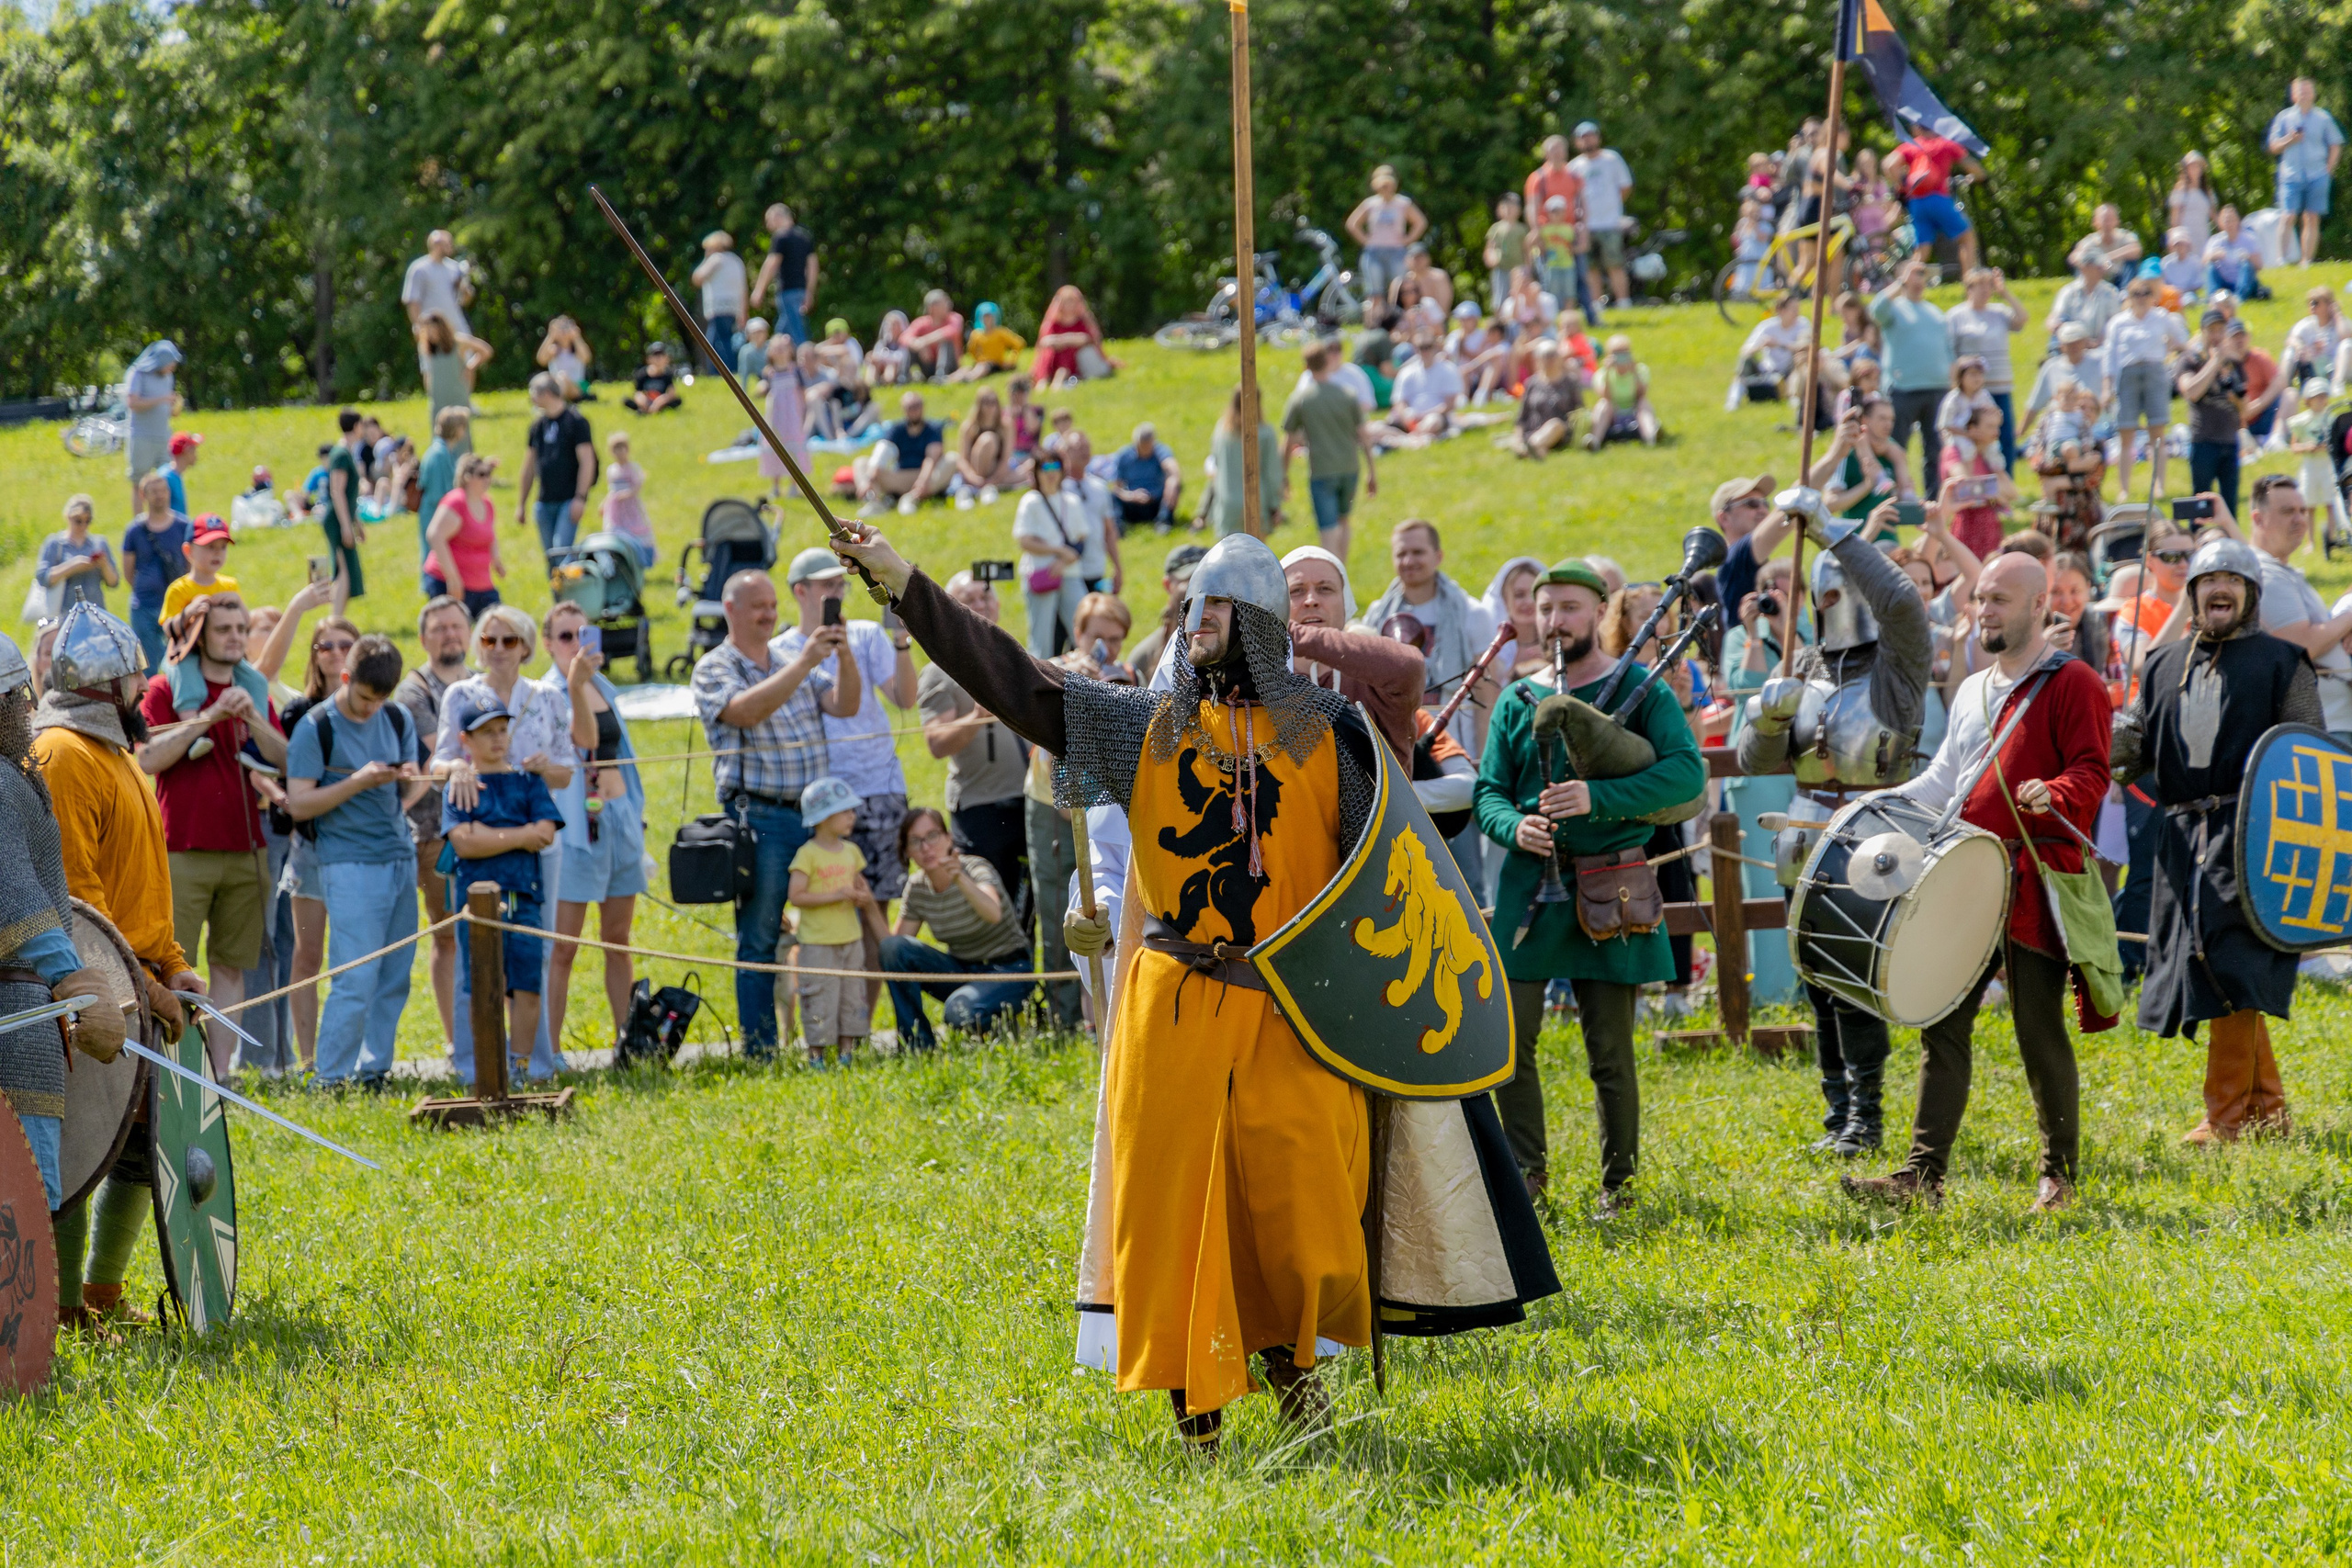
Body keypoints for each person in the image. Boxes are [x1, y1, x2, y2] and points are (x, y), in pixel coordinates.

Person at [842, 521, 1555, 1447]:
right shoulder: (1145, 723)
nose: (1197, 619)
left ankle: (1299, 1378)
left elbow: (1389, 864)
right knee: (1178, 1221)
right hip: (1174, 1007)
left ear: (1259, 618)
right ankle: (1198, 1417)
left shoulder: (1329, 730)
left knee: (1306, 1216)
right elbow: (1013, 679)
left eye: (1217, 605)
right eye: (1192, 605)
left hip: (1292, 1007)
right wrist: (904, 584)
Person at [1842, 552, 2111, 1213]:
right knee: (1943, 1019)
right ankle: (1921, 1178)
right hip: (1967, 871)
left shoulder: (2072, 682)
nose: (1983, 610)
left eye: (1999, 600)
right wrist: (1875, 806)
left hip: (2036, 874)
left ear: (2039, 606)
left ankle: (2060, 1177)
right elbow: (1947, 784)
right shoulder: (1972, 687)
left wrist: (2055, 792)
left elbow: (2093, 770)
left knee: (2035, 1025)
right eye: (1980, 598)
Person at [1473, 557, 1702, 1208]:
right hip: (1527, 894)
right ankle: (1526, 1181)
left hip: (1609, 884)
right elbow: (1490, 790)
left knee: (1610, 1051)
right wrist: (1513, 826)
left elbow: (1685, 776)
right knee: (1509, 1045)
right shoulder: (1519, 696)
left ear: (1599, 611)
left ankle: (1619, 1186)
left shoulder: (1641, 689)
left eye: (1570, 607)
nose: (1555, 620)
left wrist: (1596, 798)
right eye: (1545, 608)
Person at [1738, 494, 1933, 1156]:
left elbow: (1904, 603)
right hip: (1802, 837)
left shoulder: (1897, 666)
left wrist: (1832, 532)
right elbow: (1757, 759)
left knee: (1852, 979)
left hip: (1872, 835)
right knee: (1816, 980)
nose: (1830, 608)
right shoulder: (1807, 669)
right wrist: (1769, 716)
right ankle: (1838, 1111)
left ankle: (1867, 1117)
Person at [2111, 536, 2317, 1141]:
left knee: (2232, 961)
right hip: (2181, 834)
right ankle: (2269, 1110)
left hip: (2252, 828)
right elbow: (2137, 754)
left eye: (2232, 580)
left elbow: (2306, 758)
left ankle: (2225, 1118)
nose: (2219, 589)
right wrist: (2125, 738)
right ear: (2194, 592)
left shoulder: (2283, 661)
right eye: (2209, 580)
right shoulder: (2161, 663)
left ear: (2251, 594)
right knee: (2207, 963)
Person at [35, 604, 203, 1330]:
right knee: (86, 1144)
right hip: (95, 988)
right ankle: (68, 1302)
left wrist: (174, 965)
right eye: (137, 675)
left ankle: (103, 1291)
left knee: (138, 1139)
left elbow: (141, 889)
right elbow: (80, 901)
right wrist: (143, 985)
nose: (146, 686)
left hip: (139, 980)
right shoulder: (63, 755)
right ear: (111, 685)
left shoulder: (120, 758)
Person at [691, 570, 858, 1059]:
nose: (768, 614)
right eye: (757, 606)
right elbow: (743, 712)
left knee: (826, 932)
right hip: (759, 818)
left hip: (816, 822)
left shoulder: (790, 657)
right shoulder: (715, 667)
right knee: (761, 935)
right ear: (730, 610)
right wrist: (807, 660)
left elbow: (846, 706)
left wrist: (843, 655)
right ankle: (761, 1050)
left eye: (771, 604)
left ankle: (827, 1042)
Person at [134, 591, 283, 1074]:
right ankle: (170, 1075)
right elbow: (148, 758)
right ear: (199, 636)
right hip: (181, 848)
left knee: (229, 967)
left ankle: (219, 1077)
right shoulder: (162, 689)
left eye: (242, 628)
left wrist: (254, 719)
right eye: (225, 629)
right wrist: (207, 720)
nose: (237, 638)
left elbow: (287, 761)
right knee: (170, 967)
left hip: (246, 850)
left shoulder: (255, 689)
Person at [0, 627, 120, 1217]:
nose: (29, 709)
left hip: (24, 1009)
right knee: (26, 1201)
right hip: (16, 1012)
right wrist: (76, 982)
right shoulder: (0, 785)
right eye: (19, 698)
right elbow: (17, 899)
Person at [434, 604, 580, 1082]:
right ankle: (475, 1066)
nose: (498, 649)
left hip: (536, 838)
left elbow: (566, 769)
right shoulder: (461, 694)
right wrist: (456, 767)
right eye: (489, 640)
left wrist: (539, 771)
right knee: (475, 964)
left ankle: (531, 1066)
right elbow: (439, 761)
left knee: (529, 957)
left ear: (527, 646)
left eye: (510, 640)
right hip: (477, 833)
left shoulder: (548, 696)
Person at [284, 634, 429, 1087]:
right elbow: (299, 803)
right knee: (356, 975)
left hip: (398, 855)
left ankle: (374, 1069)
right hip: (345, 862)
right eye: (365, 699)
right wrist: (358, 782)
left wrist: (409, 777)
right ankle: (330, 1077)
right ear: (345, 678)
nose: (371, 710)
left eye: (380, 700)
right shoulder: (315, 727)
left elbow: (411, 789)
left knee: (395, 974)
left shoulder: (398, 716)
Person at [540, 600, 648, 1053]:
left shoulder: (603, 685)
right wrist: (575, 684)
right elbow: (581, 742)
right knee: (563, 946)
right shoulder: (549, 694)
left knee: (618, 938)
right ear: (548, 645)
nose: (576, 646)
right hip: (577, 830)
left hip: (620, 820)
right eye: (566, 637)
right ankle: (548, 1049)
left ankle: (629, 1044)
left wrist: (638, 816)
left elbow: (621, 753)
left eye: (584, 635)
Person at [440, 704, 563, 1080]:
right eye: (486, 732)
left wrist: (492, 836)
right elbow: (463, 842)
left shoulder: (528, 781)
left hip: (524, 897)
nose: (497, 738)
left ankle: (522, 1068)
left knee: (527, 984)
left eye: (501, 730)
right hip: (476, 901)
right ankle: (484, 1068)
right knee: (483, 984)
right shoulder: (461, 785)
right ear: (466, 741)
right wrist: (520, 836)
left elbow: (545, 832)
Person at [917, 570, 1033, 924]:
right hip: (981, 807)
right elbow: (936, 743)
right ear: (951, 608)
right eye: (969, 599)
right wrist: (975, 716)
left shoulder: (1018, 657)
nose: (980, 605)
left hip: (1030, 803)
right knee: (992, 908)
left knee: (1030, 907)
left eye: (986, 597)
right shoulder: (940, 670)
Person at [880, 806, 1035, 1050]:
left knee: (959, 1011)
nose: (925, 847)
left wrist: (960, 879)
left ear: (948, 838)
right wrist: (869, 908)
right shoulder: (918, 886)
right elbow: (894, 951)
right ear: (907, 851)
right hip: (962, 971)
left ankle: (1001, 1026)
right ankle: (918, 1046)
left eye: (932, 836)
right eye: (915, 841)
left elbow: (993, 913)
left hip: (1009, 969)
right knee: (893, 949)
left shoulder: (974, 867)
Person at [393, 595, 473, 1058]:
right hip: (433, 834)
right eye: (440, 628)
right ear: (424, 638)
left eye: (457, 627)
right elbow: (443, 747)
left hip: (487, 829)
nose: (450, 635)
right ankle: (454, 1037)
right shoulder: (414, 693)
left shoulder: (480, 683)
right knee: (447, 936)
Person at [278, 615, 357, 1067]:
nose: (334, 652)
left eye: (344, 644)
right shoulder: (297, 714)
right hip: (311, 848)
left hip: (360, 848)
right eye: (324, 645)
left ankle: (348, 1054)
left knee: (354, 954)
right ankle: (308, 1059)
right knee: (307, 954)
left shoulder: (376, 712)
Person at [1362, 520, 1499, 760]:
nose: (1408, 561)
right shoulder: (1376, 617)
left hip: (1455, 744)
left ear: (1438, 556)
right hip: (1393, 742)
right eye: (1401, 554)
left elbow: (1486, 691)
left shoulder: (1471, 613)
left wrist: (1483, 756)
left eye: (1418, 552)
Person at [1282, 341, 1376, 558]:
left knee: (1327, 529)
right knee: (1344, 520)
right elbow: (1364, 435)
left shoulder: (1301, 399)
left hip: (1322, 471)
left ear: (1306, 367)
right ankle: (1341, 572)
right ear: (1326, 362)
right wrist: (1372, 470)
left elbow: (1287, 441)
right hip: (1350, 468)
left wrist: (1284, 475)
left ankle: (1332, 573)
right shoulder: (1347, 394)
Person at [2104, 277, 2188, 502]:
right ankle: (2124, 488)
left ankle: (2159, 485)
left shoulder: (2162, 317)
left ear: (2153, 296)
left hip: (2154, 373)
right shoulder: (2118, 323)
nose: (2141, 298)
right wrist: (2107, 387)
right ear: (2129, 297)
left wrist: (2168, 346)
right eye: (2136, 294)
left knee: (2157, 433)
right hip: (2128, 374)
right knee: (2126, 433)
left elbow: (2182, 339)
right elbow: (2110, 356)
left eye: (2145, 293)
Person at [1873, 258, 1952, 493]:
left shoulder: (1935, 313)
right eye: (1913, 274)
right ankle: (1895, 495)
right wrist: (1899, 283)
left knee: (1935, 449)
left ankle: (1934, 499)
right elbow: (1875, 311)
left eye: (1921, 274)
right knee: (1897, 446)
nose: (1918, 279)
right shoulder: (1894, 308)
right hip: (1903, 388)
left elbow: (1947, 349)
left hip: (1937, 388)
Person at [1013, 453, 1099, 656]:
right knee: (1040, 637)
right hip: (1042, 573)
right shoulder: (1030, 501)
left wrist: (1063, 560)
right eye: (1045, 468)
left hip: (1070, 572)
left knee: (1084, 625)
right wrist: (1058, 551)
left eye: (1055, 467)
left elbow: (1081, 540)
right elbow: (1024, 540)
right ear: (1037, 472)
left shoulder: (1071, 500)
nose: (1051, 473)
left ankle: (1097, 675)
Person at [1945, 267, 2027, 470]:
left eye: (1988, 285)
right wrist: (1955, 382)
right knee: (1973, 436)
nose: (1985, 290)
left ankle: (2005, 479)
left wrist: (2005, 292)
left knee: (2003, 435)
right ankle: (1975, 478)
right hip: (1971, 390)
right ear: (1968, 288)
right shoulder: (1957, 315)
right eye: (1979, 285)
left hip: (1999, 384)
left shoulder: (1999, 312)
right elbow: (1949, 352)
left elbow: (2022, 319)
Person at [1885, 112, 1985, 272]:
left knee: (1922, 251)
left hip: (1916, 203)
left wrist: (1903, 187)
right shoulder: (1945, 144)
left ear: (1917, 128)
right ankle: (1970, 283)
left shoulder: (1911, 145)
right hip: (1939, 199)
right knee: (1967, 238)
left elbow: (1889, 165)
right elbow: (1974, 168)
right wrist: (1977, 176)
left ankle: (1904, 288)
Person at [2177, 308, 2250, 513]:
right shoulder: (2190, 360)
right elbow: (2191, 392)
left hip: (2229, 440)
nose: (2216, 335)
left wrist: (2234, 396)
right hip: (2203, 440)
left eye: (2220, 330)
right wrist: (2215, 362)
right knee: (2200, 504)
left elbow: (2245, 407)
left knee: (2230, 505)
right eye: (2212, 330)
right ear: (2202, 332)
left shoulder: (2234, 363)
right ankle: (2198, 541)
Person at [518, 372, 596, 557]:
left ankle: (572, 583)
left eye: (534, 392)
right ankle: (556, 587)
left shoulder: (576, 421)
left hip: (568, 500)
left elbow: (587, 461)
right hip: (544, 502)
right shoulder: (537, 426)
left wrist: (580, 497)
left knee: (562, 553)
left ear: (546, 393)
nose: (532, 398)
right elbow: (529, 466)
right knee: (550, 557)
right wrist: (522, 503)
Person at [2269, 76, 2344, 268]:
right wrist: (2290, 139)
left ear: (2314, 94)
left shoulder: (2323, 118)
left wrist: (2329, 168)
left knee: (2311, 217)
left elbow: (2336, 143)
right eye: (2300, 91)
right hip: (2290, 175)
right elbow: (2274, 146)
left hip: (2317, 174)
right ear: (2293, 95)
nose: (2304, 94)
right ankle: (2281, 259)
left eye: (2308, 90)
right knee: (2288, 216)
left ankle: (2306, 261)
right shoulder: (2284, 117)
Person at [422, 453, 504, 617]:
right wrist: (453, 579)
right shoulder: (456, 502)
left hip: (481, 584)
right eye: (481, 474)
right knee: (453, 636)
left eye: (488, 474)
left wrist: (497, 561)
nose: (486, 479)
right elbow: (435, 535)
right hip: (449, 584)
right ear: (467, 477)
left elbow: (490, 536)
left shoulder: (487, 503)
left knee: (496, 629)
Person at [855, 389, 950, 516]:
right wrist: (869, 479)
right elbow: (881, 455)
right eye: (910, 407)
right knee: (861, 463)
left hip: (925, 477)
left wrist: (922, 481)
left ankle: (911, 499)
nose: (914, 410)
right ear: (904, 409)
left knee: (952, 460)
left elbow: (931, 459)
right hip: (900, 476)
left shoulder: (933, 428)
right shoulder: (896, 429)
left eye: (917, 405)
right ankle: (875, 502)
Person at [1569, 121, 1634, 306]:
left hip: (1610, 223)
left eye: (1590, 135)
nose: (1587, 140)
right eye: (1583, 137)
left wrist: (1612, 206)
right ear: (1577, 142)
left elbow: (1625, 186)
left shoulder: (1611, 159)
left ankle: (1623, 302)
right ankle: (1596, 304)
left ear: (1598, 137)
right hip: (1586, 225)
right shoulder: (1574, 166)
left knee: (1615, 264)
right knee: (1591, 268)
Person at [1204, 387, 1283, 536]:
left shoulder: (1221, 430)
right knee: (1257, 556)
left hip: (1227, 502)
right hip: (1255, 500)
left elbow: (1214, 465)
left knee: (1229, 557)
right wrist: (1275, 505)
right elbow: (1272, 473)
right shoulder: (1265, 433)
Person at [1349, 164, 1430, 304]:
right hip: (1374, 252)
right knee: (1374, 292)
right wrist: (1366, 240)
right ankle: (1373, 323)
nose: (1385, 189)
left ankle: (1398, 322)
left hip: (1397, 252)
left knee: (1399, 290)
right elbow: (1352, 224)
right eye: (1382, 185)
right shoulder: (1370, 204)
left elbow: (1421, 222)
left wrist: (1408, 239)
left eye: (1388, 185)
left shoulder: (1403, 203)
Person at [317, 408, 371, 615]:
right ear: (356, 426)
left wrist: (357, 523)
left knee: (346, 570)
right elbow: (337, 491)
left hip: (343, 518)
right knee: (343, 571)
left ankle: (337, 618)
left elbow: (348, 496)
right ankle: (334, 620)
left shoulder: (345, 452)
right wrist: (346, 527)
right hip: (336, 520)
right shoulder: (340, 454)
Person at [120, 338, 182, 513]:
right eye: (170, 363)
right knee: (139, 483)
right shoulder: (138, 374)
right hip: (141, 437)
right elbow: (133, 403)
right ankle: (139, 524)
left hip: (163, 437)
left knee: (168, 481)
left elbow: (165, 407)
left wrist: (172, 407)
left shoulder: (168, 377)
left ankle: (168, 522)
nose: (173, 368)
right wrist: (162, 400)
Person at [1126, 544, 1204, 678]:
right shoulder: (1144, 656)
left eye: (1203, 578)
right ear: (1167, 585)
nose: (1198, 587)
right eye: (1189, 579)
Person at [36, 494, 118, 617]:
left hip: (97, 615)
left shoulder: (99, 543)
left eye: (88, 520)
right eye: (78, 521)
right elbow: (43, 578)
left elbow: (113, 583)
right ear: (68, 517)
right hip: (65, 617)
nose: (83, 525)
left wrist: (104, 565)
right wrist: (73, 566)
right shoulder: (55, 544)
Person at [751, 202, 819, 344]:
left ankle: (805, 360)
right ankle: (773, 360)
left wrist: (759, 290)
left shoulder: (780, 237)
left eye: (769, 220)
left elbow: (771, 263)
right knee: (782, 332)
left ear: (778, 216)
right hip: (800, 291)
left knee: (798, 334)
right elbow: (813, 265)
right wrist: (809, 292)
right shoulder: (805, 236)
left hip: (787, 291)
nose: (768, 225)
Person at [2289, 378, 2347, 539]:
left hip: (2327, 464)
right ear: (2308, 400)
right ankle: (2310, 540)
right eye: (2317, 397)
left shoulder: (2332, 418)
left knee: (2331, 502)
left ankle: (2332, 536)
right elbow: (2294, 446)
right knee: (2309, 504)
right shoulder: (2301, 421)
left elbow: (2339, 442)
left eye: (2323, 396)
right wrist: (2306, 447)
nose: (2321, 400)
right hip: (2310, 465)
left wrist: (2328, 446)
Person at [1510, 339, 1584, 459]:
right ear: (1538, 360)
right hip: (1533, 430)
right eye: (1545, 356)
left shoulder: (1570, 382)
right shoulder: (1531, 383)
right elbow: (1522, 418)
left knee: (1555, 424)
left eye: (1553, 355)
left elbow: (1580, 411)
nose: (1550, 360)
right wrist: (1517, 439)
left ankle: (1531, 448)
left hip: (1561, 433)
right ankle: (1536, 449)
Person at [756, 333, 808, 502]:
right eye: (776, 349)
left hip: (792, 417)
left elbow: (802, 393)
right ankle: (776, 486)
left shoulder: (796, 371)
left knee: (793, 450)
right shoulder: (769, 373)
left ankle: (794, 485)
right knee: (775, 450)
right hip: (776, 418)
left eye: (782, 348)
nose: (779, 352)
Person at [1385, 330, 1464, 439]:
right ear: (1415, 349)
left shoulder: (1448, 369)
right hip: (1411, 417)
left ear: (1435, 347)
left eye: (1428, 347)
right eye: (1421, 348)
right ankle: (1415, 435)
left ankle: (1414, 436)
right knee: (1389, 421)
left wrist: (1423, 415)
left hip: (1437, 416)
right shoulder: (1406, 372)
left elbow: (1450, 404)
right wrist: (1408, 419)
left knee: (1433, 422)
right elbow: (1399, 402)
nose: (1425, 351)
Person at [1585, 333, 1657, 448]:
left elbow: (1641, 394)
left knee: (1643, 403)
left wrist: (1634, 373)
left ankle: (1651, 437)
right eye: (1616, 353)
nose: (1621, 357)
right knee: (1604, 404)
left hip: (1634, 412)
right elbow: (1605, 396)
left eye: (1624, 352)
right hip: (1612, 415)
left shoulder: (1640, 370)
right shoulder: (1602, 374)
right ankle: (1595, 440)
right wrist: (1608, 373)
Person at [597, 430, 657, 570]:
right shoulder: (612, 470)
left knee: (635, 531)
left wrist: (627, 494)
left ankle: (641, 560)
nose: (619, 452)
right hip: (615, 509)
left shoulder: (632, 468)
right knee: (614, 531)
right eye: (616, 449)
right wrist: (605, 503)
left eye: (622, 448)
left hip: (630, 507)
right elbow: (611, 490)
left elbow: (637, 486)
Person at [691, 231, 748, 372]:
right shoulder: (736, 261)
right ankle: (729, 371)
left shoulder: (716, 259)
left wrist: (706, 258)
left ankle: (722, 372)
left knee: (716, 343)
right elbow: (744, 289)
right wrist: (744, 312)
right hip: (733, 308)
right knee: (727, 340)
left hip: (719, 308)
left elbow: (697, 278)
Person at [2046, 250, 2124, 350]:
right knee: (2055, 341)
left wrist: (2096, 343)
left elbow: (2113, 323)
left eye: (2102, 266)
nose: (2102, 270)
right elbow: (2055, 319)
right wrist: (2077, 340)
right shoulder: (2068, 291)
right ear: (2084, 268)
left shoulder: (2110, 292)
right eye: (2098, 266)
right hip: (2071, 342)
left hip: (2100, 345)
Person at [1033, 286, 1109, 389]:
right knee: (1048, 352)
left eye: (1071, 302)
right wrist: (1059, 341)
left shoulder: (1082, 321)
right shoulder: (1054, 323)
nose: (1069, 306)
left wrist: (1067, 339)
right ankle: (1042, 380)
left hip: (1072, 362)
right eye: (1066, 302)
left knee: (1068, 350)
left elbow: (1089, 339)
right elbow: (1044, 340)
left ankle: (1059, 379)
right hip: (1054, 359)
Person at [401, 230, 474, 336]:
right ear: (436, 245)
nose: (451, 246)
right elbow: (413, 301)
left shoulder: (454, 268)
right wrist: (418, 327)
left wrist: (466, 291)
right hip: (433, 331)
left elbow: (463, 302)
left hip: (457, 328)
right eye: (448, 243)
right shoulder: (419, 268)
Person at [1110, 423, 1181, 528]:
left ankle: (1164, 522)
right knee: (1111, 496)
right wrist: (1132, 496)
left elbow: (1172, 467)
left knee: (1175, 485)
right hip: (1132, 503)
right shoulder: (1124, 456)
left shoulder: (1160, 451)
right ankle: (1118, 526)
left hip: (1155, 502)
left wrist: (1173, 481)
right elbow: (1117, 488)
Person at [2284, 285, 2346, 389]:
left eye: (2316, 303)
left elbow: (2346, 336)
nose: (2312, 306)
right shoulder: (2308, 324)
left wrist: (2337, 314)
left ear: (2329, 305)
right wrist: (2299, 346)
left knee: (2347, 345)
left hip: (2338, 368)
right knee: (2290, 351)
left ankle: (2337, 384)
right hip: (2315, 369)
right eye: (2310, 303)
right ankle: (2284, 385)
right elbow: (2290, 339)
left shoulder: (2339, 323)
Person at [952, 301, 1025, 382]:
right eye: (985, 317)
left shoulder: (1000, 332)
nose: (988, 320)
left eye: (990, 317)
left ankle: (969, 379)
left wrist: (1011, 360)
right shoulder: (976, 334)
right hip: (980, 363)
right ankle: (947, 379)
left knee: (982, 367)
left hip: (995, 364)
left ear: (995, 317)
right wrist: (978, 358)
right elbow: (971, 350)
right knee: (965, 369)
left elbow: (1019, 343)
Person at [2205, 206, 2267, 300]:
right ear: (2221, 223)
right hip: (2225, 283)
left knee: (2246, 265)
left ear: (2238, 221)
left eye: (2232, 220)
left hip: (2244, 282)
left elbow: (2260, 266)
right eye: (2226, 221)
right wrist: (2214, 255)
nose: (2229, 224)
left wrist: (2248, 257)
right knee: (2211, 266)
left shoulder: (2249, 239)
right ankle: (2215, 299)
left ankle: (2239, 298)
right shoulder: (2215, 241)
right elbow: (2203, 262)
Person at [1483, 192, 1529, 311]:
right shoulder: (1495, 228)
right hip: (1501, 268)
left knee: (1518, 296)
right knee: (1500, 297)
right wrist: (1490, 258)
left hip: (1518, 269)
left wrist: (1528, 267)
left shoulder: (1522, 229)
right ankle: (1500, 323)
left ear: (1519, 210)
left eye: (1512, 207)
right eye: (1505, 206)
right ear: (1499, 210)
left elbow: (1526, 250)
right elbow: (1490, 248)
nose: (1508, 209)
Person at [904, 289, 965, 379]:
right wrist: (920, 346)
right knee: (909, 347)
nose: (949, 304)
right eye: (945, 302)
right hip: (928, 364)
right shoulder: (921, 322)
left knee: (946, 342)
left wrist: (923, 342)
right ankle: (903, 376)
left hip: (951, 365)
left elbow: (951, 331)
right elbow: (904, 337)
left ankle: (941, 375)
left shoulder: (955, 318)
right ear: (932, 307)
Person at [536, 315, 594, 400]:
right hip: (557, 385)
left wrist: (576, 336)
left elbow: (587, 358)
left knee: (563, 376)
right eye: (560, 328)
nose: (563, 331)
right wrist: (551, 335)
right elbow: (541, 360)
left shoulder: (577, 349)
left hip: (577, 387)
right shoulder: (553, 349)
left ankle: (553, 400)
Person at [2171, 151, 2217, 254]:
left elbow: (2214, 215)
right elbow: (2175, 220)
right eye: (2191, 166)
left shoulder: (2207, 191)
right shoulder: (2181, 190)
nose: (2194, 169)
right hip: (2186, 241)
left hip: (2204, 237)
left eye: (2197, 166)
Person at [623, 342, 683, 415]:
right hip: (646, 401)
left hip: (661, 402)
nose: (658, 358)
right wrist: (642, 401)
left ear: (667, 358)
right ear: (648, 359)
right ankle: (644, 410)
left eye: (661, 355)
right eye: (655, 355)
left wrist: (659, 402)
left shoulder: (667, 375)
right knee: (626, 401)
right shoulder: (642, 374)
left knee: (677, 401)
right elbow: (637, 392)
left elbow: (671, 393)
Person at [736, 316, 772, 385]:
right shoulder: (745, 351)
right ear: (748, 335)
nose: (757, 335)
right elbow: (743, 372)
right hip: (757, 382)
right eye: (754, 333)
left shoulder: (771, 347)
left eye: (760, 332)